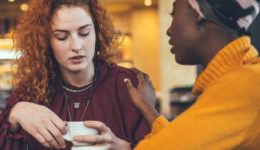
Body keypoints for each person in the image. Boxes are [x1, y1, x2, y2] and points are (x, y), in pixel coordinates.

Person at [0, 0, 150, 149]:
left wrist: (122, 147)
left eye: (84, 33)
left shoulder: (127, 84)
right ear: (45, 41)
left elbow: (163, 143)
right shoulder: (32, 91)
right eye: (62, 37)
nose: (76, 46)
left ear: (97, 33)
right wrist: (16, 114)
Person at [103, 0, 260, 149]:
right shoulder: (241, 77)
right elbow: (186, 141)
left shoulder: (244, 86)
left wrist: (125, 146)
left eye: (174, 13)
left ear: (198, 14)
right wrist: (147, 107)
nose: (169, 30)